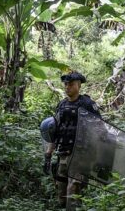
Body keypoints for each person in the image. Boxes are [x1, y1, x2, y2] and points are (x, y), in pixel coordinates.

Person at [43, 71, 101, 210]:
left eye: (71, 84)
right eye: (66, 84)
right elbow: (54, 131)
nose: (67, 87)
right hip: (63, 152)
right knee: (61, 190)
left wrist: (96, 156)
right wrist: (48, 155)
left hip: (80, 155)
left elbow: (99, 129)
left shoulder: (87, 104)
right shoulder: (61, 105)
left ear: (78, 85)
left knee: (73, 190)